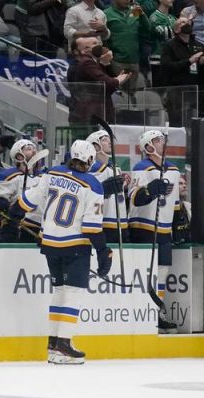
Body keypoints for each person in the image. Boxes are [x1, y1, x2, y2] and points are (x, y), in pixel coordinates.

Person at [16, 140, 108, 364]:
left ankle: (54, 344)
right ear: (90, 159)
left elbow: (27, 201)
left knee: (59, 291)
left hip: (49, 244)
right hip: (75, 246)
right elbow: (92, 228)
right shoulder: (93, 185)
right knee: (73, 293)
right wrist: (103, 251)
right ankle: (64, 345)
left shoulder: (52, 173)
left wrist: (9, 216)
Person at [127, 129, 181, 333]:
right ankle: (144, 313)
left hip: (164, 231)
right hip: (143, 229)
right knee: (145, 275)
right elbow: (133, 198)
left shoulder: (173, 169)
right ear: (149, 147)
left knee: (162, 274)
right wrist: (149, 191)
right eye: (158, 140)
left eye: (162, 139)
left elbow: (175, 202)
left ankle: (157, 313)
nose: (162, 143)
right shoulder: (142, 168)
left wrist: (178, 226)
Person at [86, 129, 128, 244]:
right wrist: (102, 190)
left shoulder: (113, 168)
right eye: (105, 140)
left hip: (121, 223)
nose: (110, 142)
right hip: (103, 224)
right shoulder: (92, 169)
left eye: (110, 139)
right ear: (95, 146)